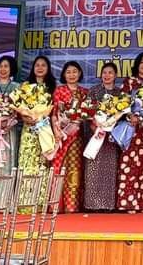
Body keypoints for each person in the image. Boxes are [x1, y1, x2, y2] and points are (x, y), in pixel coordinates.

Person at [118, 52, 143, 212]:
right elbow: (121, 103)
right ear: (137, 64)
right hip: (131, 127)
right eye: (142, 62)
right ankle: (128, 202)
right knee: (129, 164)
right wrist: (131, 116)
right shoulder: (129, 81)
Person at [84, 62, 122, 212]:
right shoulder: (94, 91)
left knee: (109, 169)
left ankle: (107, 204)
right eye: (104, 72)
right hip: (96, 133)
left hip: (112, 136)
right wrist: (95, 124)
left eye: (110, 73)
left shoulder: (119, 93)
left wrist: (111, 125)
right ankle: (92, 204)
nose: (107, 75)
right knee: (93, 167)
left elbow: (123, 114)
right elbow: (87, 110)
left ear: (115, 75)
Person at [17, 55, 57, 201]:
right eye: (37, 65)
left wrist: (41, 118)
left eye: (43, 65)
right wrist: (26, 117)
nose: (40, 68)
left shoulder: (52, 88)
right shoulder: (25, 86)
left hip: (44, 130)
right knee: (27, 162)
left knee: (42, 163)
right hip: (28, 130)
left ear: (48, 69)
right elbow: (18, 108)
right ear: (33, 68)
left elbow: (55, 111)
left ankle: (40, 202)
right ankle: (25, 202)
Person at [52, 61, 87, 213]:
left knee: (74, 169)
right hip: (61, 135)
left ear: (79, 73)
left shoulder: (84, 92)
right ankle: (56, 205)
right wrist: (57, 131)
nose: (72, 75)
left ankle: (71, 205)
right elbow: (54, 114)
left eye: (74, 71)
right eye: (68, 72)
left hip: (77, 137)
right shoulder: (59, 91)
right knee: (59, 168)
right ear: (64, 75)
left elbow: (88, 115)